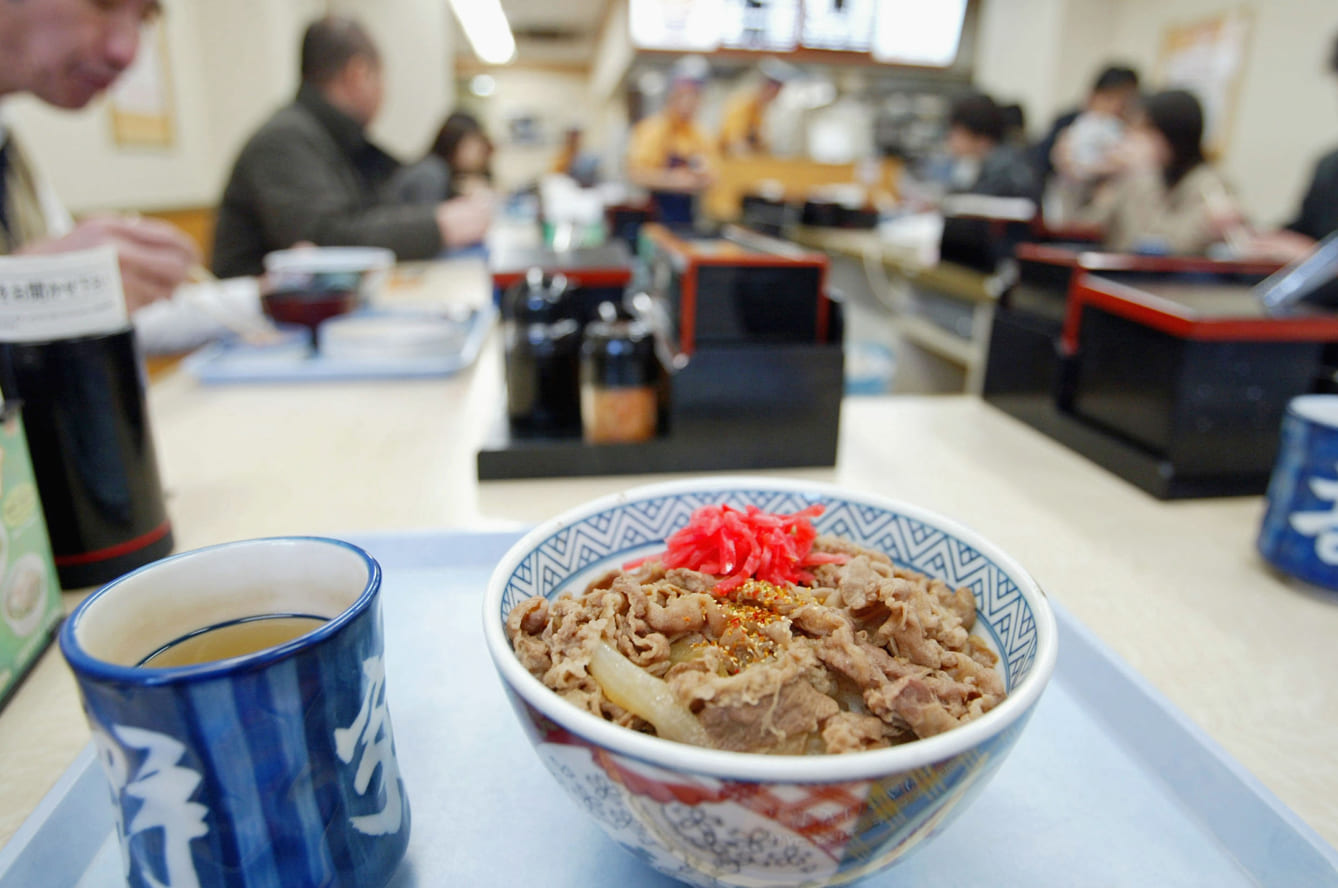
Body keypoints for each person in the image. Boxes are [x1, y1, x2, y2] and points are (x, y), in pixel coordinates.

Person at [211, 16, 492, 278]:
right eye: (379, 77)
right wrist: (439, 225)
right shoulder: (285, 140)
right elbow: (324, 241)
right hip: (258, 324)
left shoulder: (325, 136)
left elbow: (371, 211)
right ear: (357, 74)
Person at [0, 0, 197, 310]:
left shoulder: (12, 152)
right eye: (102, 3)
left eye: (144, 19)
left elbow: (98, 306)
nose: (127, 52)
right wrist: (27, 287)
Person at [1078, 90, 1242, 255]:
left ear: (1172, 135)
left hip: (1158, 277)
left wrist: (1143, 174)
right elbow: (1084, 225)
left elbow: (1155, 244)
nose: (1132, 138)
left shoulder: (1208, 184)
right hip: (1115, 271)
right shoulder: (1139, 175)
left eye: (1144, 131)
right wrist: (1082, 176)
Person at [1247, 33, 1338, 261]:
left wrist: (1316, 256)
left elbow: (1307, 248)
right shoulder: (1328, 165)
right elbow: (1301, 229)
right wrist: (1257, 237)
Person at [626, 56, 716, 227]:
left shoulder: (700, 134)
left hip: (689, 217)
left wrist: (703, 178)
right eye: (684, 94)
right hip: (655, 216)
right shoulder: (652, 129)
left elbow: (713, 175)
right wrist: (675, 181)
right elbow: (636, 174)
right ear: (672, 94)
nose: (689, 101)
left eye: (695, 95)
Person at [1032, 65, 1141, 188]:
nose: (1117, 106)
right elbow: (1040, 161)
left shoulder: (1133, 131)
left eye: (1125, 100)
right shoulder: (1068, 122)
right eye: (1110, 97)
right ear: (1093, 95)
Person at [943, 92, 1040, 200]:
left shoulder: (1003, 171)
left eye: (958, 134)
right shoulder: (990, 162)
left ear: (981, 139)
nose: (951, 140)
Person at [388, 111, 493, 206]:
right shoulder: (430, 173)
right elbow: (429, 223)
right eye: (474, 146)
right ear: (455, 142)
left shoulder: (436, 169)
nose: (479, 154)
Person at [717, 58, 795, 156]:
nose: (776, 97)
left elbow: (762, 145)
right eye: (775, 92)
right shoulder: (741, 104)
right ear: (767, 88)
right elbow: (736, 145)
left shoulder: (760, 111)